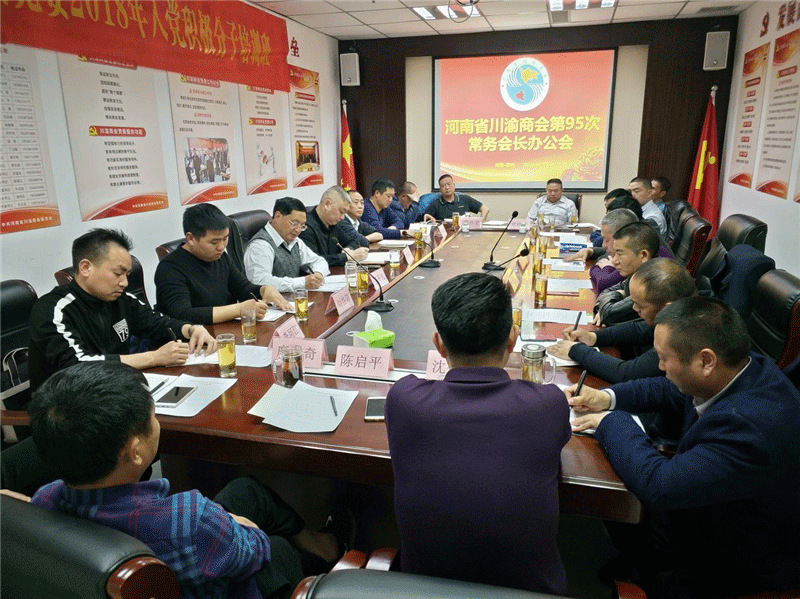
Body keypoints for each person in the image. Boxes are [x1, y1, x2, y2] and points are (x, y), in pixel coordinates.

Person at [23, 361, 353, 599]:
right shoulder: (194, 521)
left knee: (247, 491)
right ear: (136, 451)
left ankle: (324, 547)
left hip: (154, 549)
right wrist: (238, 525)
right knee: (278, 547)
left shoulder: (45, 499)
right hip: (209, 576)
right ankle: (328, 558)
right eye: (153, 417)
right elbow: (256, 552)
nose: (156, 423)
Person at [568, 298, 800, 598]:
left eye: (664, 358)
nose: (660, 366)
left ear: (706, 361)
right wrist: (607, 397)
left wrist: (611, 421)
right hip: (711, 509)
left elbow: (659, 485)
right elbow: (671, 389)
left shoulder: (748, 430)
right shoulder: (742, 367)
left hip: (734, 565)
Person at [385, 273, 569, 595]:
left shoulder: (404, 400)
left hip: (426, 591)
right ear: (512, 340)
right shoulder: (548, 404)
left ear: (439, 345)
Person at [28, 228, 216, 393]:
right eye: (118, 273)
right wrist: (154, 357)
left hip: (115, 389)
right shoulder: (53, 310)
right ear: (85, 267)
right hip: (66, 407)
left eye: (127, 275)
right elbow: (78, 365)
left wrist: (191, 329)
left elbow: (157, 322)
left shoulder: (121, 299)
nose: (125, 283)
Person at [549, 258, 696, 383]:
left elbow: (626, 373)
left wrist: (576, 351)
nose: (634, 308)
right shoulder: (678, 315)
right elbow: (639, 330)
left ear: (667, 308)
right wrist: (593, 337)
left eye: (640, 305)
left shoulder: (684, 337)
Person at [155, 204, 290, 324]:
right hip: (196, 338)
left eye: (225, 239)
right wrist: (239, 309)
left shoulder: (219, 257)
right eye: (214, 242)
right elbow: (182, 314)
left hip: (228, 331)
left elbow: (242, 288)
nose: (221, 247)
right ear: (190, 238)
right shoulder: (170, 268)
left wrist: (264, 290)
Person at [244, 197, 329, 292]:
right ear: (278, 217)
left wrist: (318, 274)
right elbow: (260, 282)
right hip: (269, 301)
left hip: (292, 298)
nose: (298, 230)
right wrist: (302, 282)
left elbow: (319, 261)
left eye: (302, 226)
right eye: (294, 223)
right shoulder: (260, 245)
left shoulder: (295, 241)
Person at [594, 221, 660, 326]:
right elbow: (605, 291)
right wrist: (601, 308)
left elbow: (608, 314)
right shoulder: (639, 274)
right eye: (615, 253)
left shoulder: (652, 284)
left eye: (619, 254)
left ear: (643, 255)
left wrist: (617, 295)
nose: (614, 261)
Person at [299, 185, 368, 267]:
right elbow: (313, 261)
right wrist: (346, 257)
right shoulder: (306, 227)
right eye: (341, 212)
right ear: (327, 204)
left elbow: (354, 241)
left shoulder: (334, 224)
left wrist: (349, 249)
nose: (343, 217)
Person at [423, 174, 489, 222]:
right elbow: (426, 217)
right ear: (440, 190)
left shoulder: (465, 199)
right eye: (443, 186)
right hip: (446, 233)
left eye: (449, 184)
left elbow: (485, 209)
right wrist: (428, 218)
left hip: (464, 231)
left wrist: (481, 222)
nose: (447, 187)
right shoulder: (436, 204)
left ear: (454, 185)